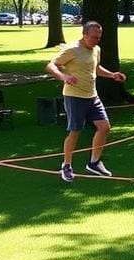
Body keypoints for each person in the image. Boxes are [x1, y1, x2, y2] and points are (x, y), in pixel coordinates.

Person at [46, 21, 127, 182]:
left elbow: (96, 68)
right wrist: (64, 76)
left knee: (104, 127)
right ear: (84, 35)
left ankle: (94, 163)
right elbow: (51, 65)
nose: (96, 40)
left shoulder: (96, 49)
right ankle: (67, 166)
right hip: (74, 96)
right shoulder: (72, 49)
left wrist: (112, 75)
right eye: (93, 37)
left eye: (99, 37)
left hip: (92, 96)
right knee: (75, 131)